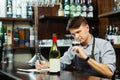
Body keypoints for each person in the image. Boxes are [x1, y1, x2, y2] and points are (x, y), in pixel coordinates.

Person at [35, 16, 116, 78]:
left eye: (78, 32)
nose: (76, 36)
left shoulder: (104, 45)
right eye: (73, 34)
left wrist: (86, 58)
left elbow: (109, 73)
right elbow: (62, 63)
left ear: (87, 28)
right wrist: (46, 64)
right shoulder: (74, 47)